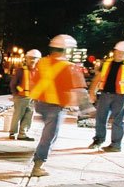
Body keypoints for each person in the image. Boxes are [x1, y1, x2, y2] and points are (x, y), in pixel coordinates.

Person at [29, 34, 88, 177]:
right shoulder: (69, 67)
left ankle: (39, 157)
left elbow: (34, 81)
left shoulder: (42, 62)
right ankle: (38, 165)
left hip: (40, 104)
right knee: (49, 136)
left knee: (47, 135)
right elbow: (79, 89)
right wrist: (87, 108)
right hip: (55, 107)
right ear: (67, 50)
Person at [88, 40, 124, 152]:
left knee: (118, 121)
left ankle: (116, 145)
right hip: (105, 95)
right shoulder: (107, 63)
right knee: (100, 118)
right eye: (119, 51)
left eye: (123, 52)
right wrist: (92, 92)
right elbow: (97, 78)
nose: (120, 54)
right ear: (115, 51)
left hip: (120, 97)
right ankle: (99, 140)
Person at [8, 49, 42, 141]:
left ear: (38, 60)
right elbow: (13, 84)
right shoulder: (21, 70)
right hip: (21, 97)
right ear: (26, 59)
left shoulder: (39, 71)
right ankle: (12, 133)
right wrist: (15, 94)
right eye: (30, 58)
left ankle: (22, 134)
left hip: (32, 98)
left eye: (34, 58)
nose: (32, 60)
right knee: (17, 115)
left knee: (28, 116)